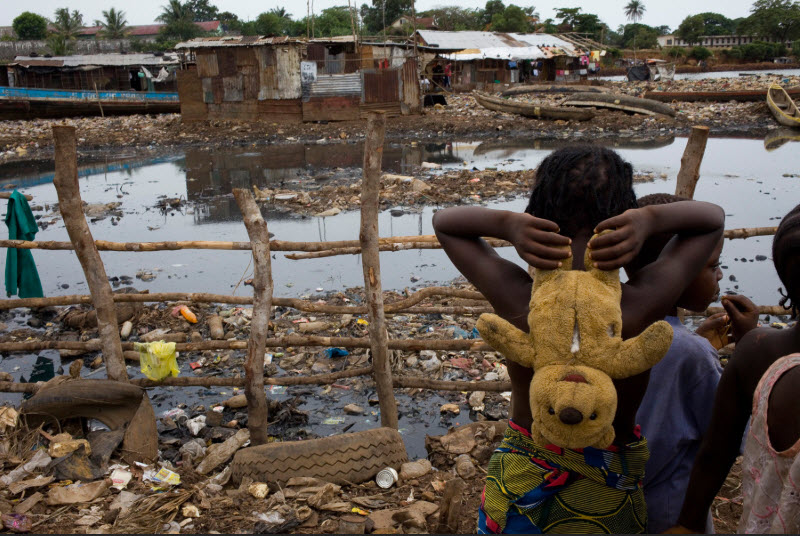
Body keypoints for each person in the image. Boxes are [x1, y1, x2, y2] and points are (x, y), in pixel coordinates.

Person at [432, 145, 725, 534]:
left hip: (523, 485)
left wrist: (508, 224)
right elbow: (712, 220)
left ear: (537, 217)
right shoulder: (638, 306)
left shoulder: (520, 298)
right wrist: (648, 219)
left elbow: (445, 222)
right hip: (607, 496)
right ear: (623, 223)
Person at [629, 193, 759, 534]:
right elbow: (738, 435)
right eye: (711, 264)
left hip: (605, 511)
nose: (719, 275)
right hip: (670, 518)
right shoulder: (692, 354)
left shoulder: (612, 331)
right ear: (675, 270)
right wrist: (748, 348)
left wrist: (699, 340)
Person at [671, 203, 800, 534]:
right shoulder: (700, 351)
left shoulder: (759, 351)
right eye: (713, 265)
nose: (720, 276)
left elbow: (714, 456)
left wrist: (687, 524)